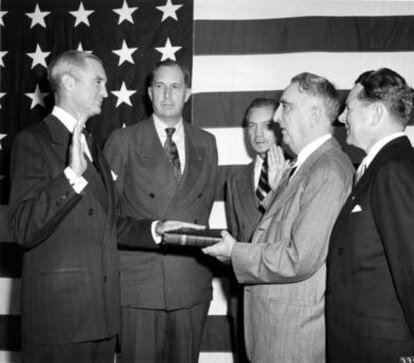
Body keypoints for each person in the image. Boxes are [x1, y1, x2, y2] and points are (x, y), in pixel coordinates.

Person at [8, 50, 198, 363]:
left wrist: (155, 229)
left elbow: (109, 222)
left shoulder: (93, 143)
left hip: (102, 318)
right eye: (98, 81)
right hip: (60, 323)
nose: (105, 91)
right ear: (68, 83)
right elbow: (21, 228)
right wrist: (71, 177)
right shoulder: (33, 141)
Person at [203, 72, 354, 362]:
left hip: (292, 334)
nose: (276, 116)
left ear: (314, 115)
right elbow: (286, 228)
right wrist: (275, 194)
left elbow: (300, 256)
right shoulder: (307, 165)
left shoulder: (327, 169)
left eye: (286, 106)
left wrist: (236, 252)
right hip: (277, 327)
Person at [326, 68, 414, 362]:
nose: (342, 118)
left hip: (381, 351)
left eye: (349, 109)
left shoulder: (394, 172)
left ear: (375, 113)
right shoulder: (382, 167)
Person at [103, 59, 218, 363]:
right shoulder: (122, 141)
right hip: (140, 284)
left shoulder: (207, 142)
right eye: (160, 86)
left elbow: (202, 212)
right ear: (149, 93)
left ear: (187, 93)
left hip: (190, 281)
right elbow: (105, 220)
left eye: (175, 87)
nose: (167, 94)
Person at [226, 97, 287, 243]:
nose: (258, 134)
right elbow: (235, 240)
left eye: (266, 125)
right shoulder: (235, 180)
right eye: (252, 126)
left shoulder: (299, 170)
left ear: (281, 126)